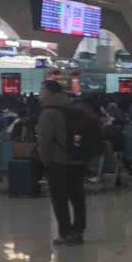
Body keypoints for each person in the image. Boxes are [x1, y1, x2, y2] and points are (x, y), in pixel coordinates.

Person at [35, 79, 91, 246]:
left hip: (58, 161)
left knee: (60, 199)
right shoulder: (73, 109)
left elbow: (45, 141)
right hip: (77, 159)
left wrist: (45, 161)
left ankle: (66, 233)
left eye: (41, 89)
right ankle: (78, 231)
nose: (40, 93)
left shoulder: (48, 113)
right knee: (78, 198)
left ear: (49, 91)